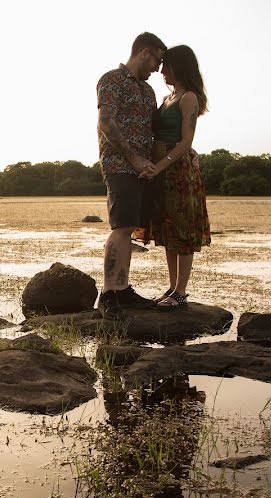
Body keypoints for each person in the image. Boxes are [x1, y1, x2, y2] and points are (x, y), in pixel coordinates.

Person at [95, 32, 167, 318]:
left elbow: (154, 132)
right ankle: (109, 294)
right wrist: (133, 158)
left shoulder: (148, 92)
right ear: (144, 52)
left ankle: (122, 290)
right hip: (119, 165)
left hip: (143, 168)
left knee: (130, 228)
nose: (158, 68)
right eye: (157, 60)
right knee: (121, 227)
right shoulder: (111, 80)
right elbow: (105, 122)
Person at [140, 45, 211, 309]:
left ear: (178, 66)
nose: (161, 70)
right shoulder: (168, 98)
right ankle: (172, 287)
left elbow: (185, 142)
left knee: (182, 229)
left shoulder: (188, 98)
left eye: (166, 65)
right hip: (162, 170)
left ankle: (181, 291)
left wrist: (159, 167)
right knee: (168, 229)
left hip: (178, 171)